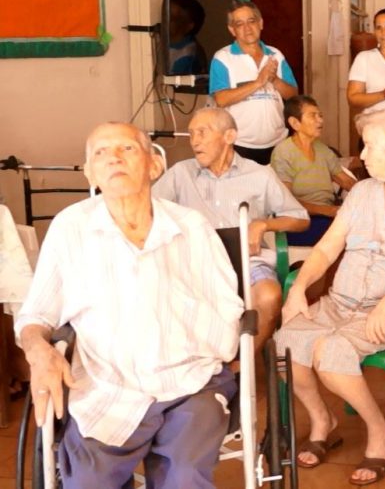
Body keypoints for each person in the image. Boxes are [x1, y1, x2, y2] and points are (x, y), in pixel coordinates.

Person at [16, 122, 243, 488]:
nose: (113, 159)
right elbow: (37, 313)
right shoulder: (69, 228)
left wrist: (210, 349)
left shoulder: (192, 226)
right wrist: (37, 349)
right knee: (89, 482)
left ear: (154, 165)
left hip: (190, 383)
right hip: (106, 386)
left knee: (185, 477)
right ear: (90, 172)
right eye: (100, 153)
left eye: (127, 149)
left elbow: (227, 308)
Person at [274, 108, 385, 484]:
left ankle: (381, 432)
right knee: (284, 344)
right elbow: (326, 250)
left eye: (370, 146)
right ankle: (322, 419)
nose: (363, 155)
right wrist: (298, 288)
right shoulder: (361, 191)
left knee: (330, 352)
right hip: (339, 304)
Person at [154, 107, 309, 355]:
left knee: (269, 298)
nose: (195, 141)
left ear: (229, 136)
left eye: (203, 133)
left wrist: (263, 224)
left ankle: (244, 363)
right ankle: (202, 360)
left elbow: (300, 218)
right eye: (192, 134)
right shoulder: (181, 174)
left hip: (248, 261)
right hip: (196, 263)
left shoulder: (260, 175)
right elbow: (147, 210)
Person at [210, 0, 299, 165]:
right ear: (232, 30)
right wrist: (259, 82)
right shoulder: (223, 58)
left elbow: (293, 94)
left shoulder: (275, 55)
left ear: (261, 23)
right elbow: (221, 99)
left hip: (277, 143)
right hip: (239, 144)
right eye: (239, 24)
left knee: (276, 190)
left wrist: (274, 79)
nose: (247, 28)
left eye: (251, 21)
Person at [272, 95, 358, 245]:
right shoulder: (283, 153)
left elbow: (347, 181)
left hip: (329, 217)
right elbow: (286, 203)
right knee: (352, 239)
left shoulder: (322, 149)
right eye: (313, 116)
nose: (320, 120)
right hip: (301, 221)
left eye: (321, 115)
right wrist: (328, 210)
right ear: (295, 123)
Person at [167, 0, 207, 75]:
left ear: (189, 26)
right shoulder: (160, 41)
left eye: (173, 18)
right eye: (166, 15)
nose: (167, 21)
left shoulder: (187, 54)